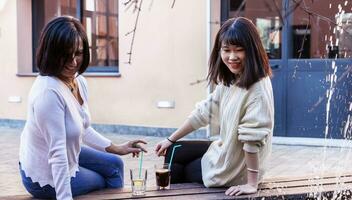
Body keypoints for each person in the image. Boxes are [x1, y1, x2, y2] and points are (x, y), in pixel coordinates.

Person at [19, 16, 147, 200]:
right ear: (51, 52)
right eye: (65, 54)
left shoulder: (78, 81)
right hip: (45, 174)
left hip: (68, 153)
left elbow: (82, 128)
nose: (73, 62)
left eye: (78, 53)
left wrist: (118, 148)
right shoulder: (48, 93)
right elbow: (57, 154)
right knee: (106, 178)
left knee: (115, 164)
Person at [155, 17, 274, 196]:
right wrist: (170, 139)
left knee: (182, 170)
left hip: (236, 168)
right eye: (226, 50)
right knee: (174, 150)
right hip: (227, 149)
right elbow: (205, 111)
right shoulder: (233, 79)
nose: (232, 57)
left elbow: (252, 139)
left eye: (239, 50)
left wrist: (251, 184)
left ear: (252, 51)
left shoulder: (257, 89)